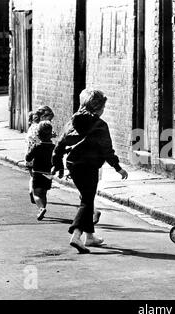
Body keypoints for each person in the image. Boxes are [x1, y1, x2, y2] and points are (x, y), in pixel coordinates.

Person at [51, 89, 128, 254]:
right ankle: (76, 235)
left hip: (73, 164)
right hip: (89, 166)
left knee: (87, 198)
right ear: (98, 107)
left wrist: (57, 164)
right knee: (87, 201)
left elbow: (59, 144)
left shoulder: (72, 121)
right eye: (103, 107)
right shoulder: (100, 125)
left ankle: (90, 236)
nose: (104, 110)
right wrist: (118, 168)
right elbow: (107, 150)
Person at [25, 121, 55, 221]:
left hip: (37, 172)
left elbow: (28, 157)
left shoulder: (37, 146)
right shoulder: (53, 147)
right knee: (44, 193)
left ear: (38, 134)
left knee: (36, 194)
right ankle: (43, 208)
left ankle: (41, 208)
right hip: (48, 173)